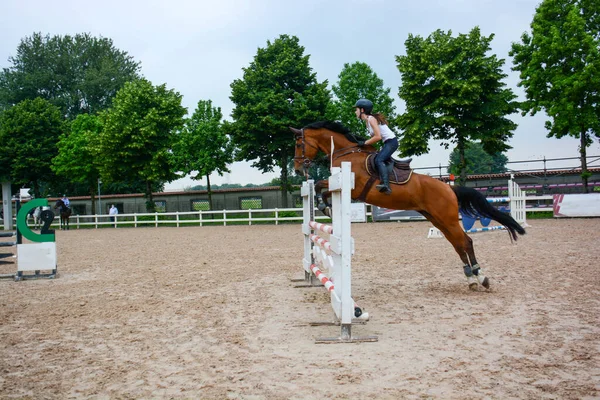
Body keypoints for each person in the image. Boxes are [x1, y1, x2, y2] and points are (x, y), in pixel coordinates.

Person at [354, 98, 399, 194]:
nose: (355, 112)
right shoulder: (367, 122)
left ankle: (386, 185)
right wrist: (361, 142)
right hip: (387, 143)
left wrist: (365, 143)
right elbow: (372, 137)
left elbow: (378, 137)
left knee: (379, 159)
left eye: (356, 109)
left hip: (392, 142)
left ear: (362, 110)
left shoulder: (371, 119)